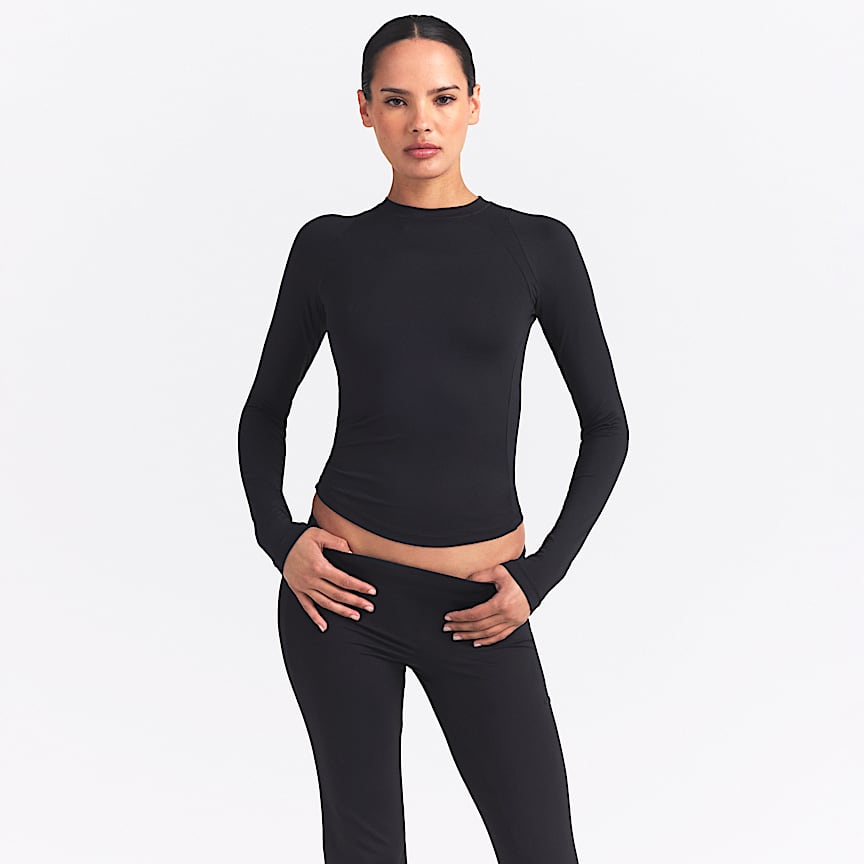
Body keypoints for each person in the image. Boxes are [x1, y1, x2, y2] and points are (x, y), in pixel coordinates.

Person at [238, 13, 629, 864]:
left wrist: (542, 576)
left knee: (541, 847)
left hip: (482, 607)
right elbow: (264, 411)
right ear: (365, 110)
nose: (421, 121)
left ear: (475, 104)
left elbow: (607, 425)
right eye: (397, 100)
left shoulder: (537, 247)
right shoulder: (329, 248)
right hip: (343, 598)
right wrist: (280, 539)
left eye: (443, 98)